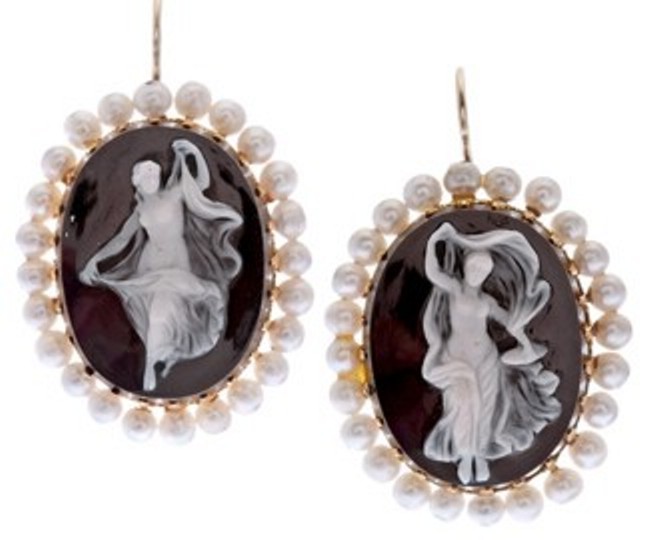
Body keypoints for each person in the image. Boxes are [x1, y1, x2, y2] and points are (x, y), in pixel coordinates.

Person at [79, 139, 243, 392]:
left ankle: (163, 357)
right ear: (137, 180)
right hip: (149, 265)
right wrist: (94, 261)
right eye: (147, 173)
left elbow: (201, 183)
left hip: (176, 262)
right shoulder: (140, 210)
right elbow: (121, 239)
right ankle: (153, 361)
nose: (153, 176)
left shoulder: (174, 193)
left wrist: (194, 151)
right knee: (156, 314)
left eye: (155, 172)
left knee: (170, 312)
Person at [421, 222, 561, 484]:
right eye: (474, 267)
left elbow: (510, 323)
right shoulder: (455, 289)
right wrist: (435, 239)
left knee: (485, 407)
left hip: (486, 356)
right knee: (462, 404)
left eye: (483, 270)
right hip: (457, 358)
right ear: (466, 266)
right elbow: (432, 272)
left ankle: (480, 456)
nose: (477, 273)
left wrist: (523, 340)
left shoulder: (487, 301)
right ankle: (465, 456)